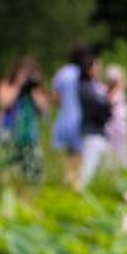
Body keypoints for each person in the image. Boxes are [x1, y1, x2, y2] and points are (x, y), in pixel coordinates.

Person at [0, 56, 49, 186]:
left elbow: (44, 109)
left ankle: (27, 198)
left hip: (30, 136)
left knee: (34, 172)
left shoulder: (36, 91)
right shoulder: (7, 84)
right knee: (7, 169)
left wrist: (34, 90)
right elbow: (4, 102)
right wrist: (19, 85)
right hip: (8, 132)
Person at [51, 44, 90, 188]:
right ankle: (76, 184)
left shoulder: (62, 73)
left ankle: (68, 179)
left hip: (64, 117)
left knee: (68, 153)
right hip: (82, 118)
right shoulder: (84, 73)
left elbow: (55, 98)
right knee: (80, 153)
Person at [75, 51, 112, 192]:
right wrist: (110, 100)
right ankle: (80, 194)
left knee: (105, 169)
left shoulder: (95, 86)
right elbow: (98, 108)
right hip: (91, 132)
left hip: (100, 132)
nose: (99, 70)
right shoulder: (85, 88)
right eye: (97, 67)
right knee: (88, 171)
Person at [103, 63, 127, 170]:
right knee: (113, 155)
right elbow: (110, 102)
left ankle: (124, 170)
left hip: (121, 128)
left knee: (124, 154)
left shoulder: (120, 92)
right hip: (113, 128)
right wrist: (119, 87)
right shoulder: (111, 92)